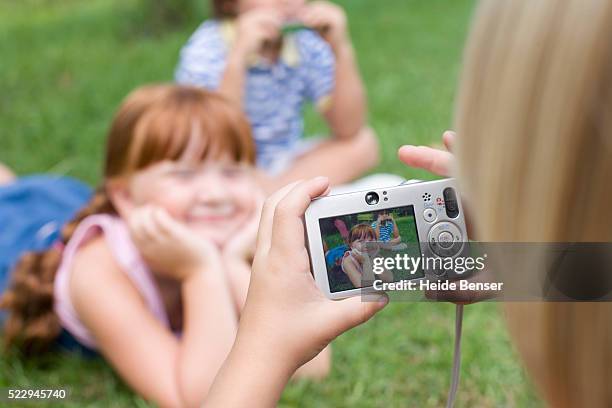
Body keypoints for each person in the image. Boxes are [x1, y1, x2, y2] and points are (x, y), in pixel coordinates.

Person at [202, 0, 612, 406]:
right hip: (252, 162)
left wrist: (262, 351)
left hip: (282, 167)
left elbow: (350, 126)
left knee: (359, 145)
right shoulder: (211, 49)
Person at [0, 84, 328, 408]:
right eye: (184, 175)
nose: (216, 195)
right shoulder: (98, 270)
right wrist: (200, 271)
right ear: (126, 197)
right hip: (14, 242)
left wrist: (234, 264)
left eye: (231, 172)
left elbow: (312, 365)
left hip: (63, 207)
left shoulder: (233, 238)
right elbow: (199, 398)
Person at [175, 0, 379, 192]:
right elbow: (212, 138)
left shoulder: (303, 42)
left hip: (284, 162)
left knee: (363, 144)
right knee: (214, 173)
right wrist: (238, 56)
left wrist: (340, 47)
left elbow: (349, 127)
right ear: (229, 3)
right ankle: (279, 202)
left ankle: (267, 202)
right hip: (224, 163)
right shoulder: (207, 47)